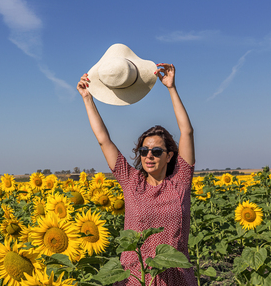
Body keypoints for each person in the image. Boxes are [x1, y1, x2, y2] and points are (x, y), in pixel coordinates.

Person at [77, 63, 197, 285]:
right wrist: (87, 98)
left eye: (157, 151)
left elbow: (187, 132)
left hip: (176, 277)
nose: (149, 155)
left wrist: (171, 88)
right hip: (135, 277)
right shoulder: (131, 181)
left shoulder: (180, 181)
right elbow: (104, 140)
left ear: (170, 156)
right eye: (144, 151)